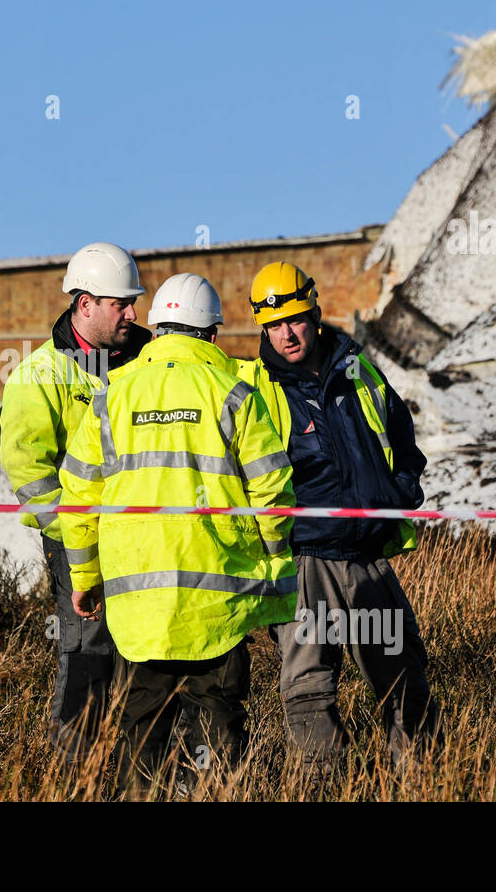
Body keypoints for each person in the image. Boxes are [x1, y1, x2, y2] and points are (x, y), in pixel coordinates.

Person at [58, 272, 298, 799]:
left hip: (138, 609)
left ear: (160, 328)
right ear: (212, 334)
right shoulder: (233, 391)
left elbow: (77, 496)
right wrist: (278, 560)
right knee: (217, 731)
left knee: (139, 734)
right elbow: (272, 487)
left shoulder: (112, 395)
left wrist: (83, 577)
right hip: (220, 606)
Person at [234, 261, 441, 774]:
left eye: (295, 319)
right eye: (273, 324)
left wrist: (401, 488)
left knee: (404, 680)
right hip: (304, 561)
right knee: (309, 691)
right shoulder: (253, 388)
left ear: (315, 312)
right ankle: (326, 787)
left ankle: (423, 781)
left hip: (368, 557)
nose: (286, 334)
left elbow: (400, 433)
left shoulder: (358, 368)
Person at [0, 242, 152, 762]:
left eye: (134, 302)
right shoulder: (38, 376)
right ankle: (73, 769)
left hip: (149, 540)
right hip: (77, 544)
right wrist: (73, 535)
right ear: (84, 304)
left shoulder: (151, 364)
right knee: (86, 651)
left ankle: (140, 770)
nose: (133, 313)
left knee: (149, 652)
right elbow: (28, 471)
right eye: (120, 304)